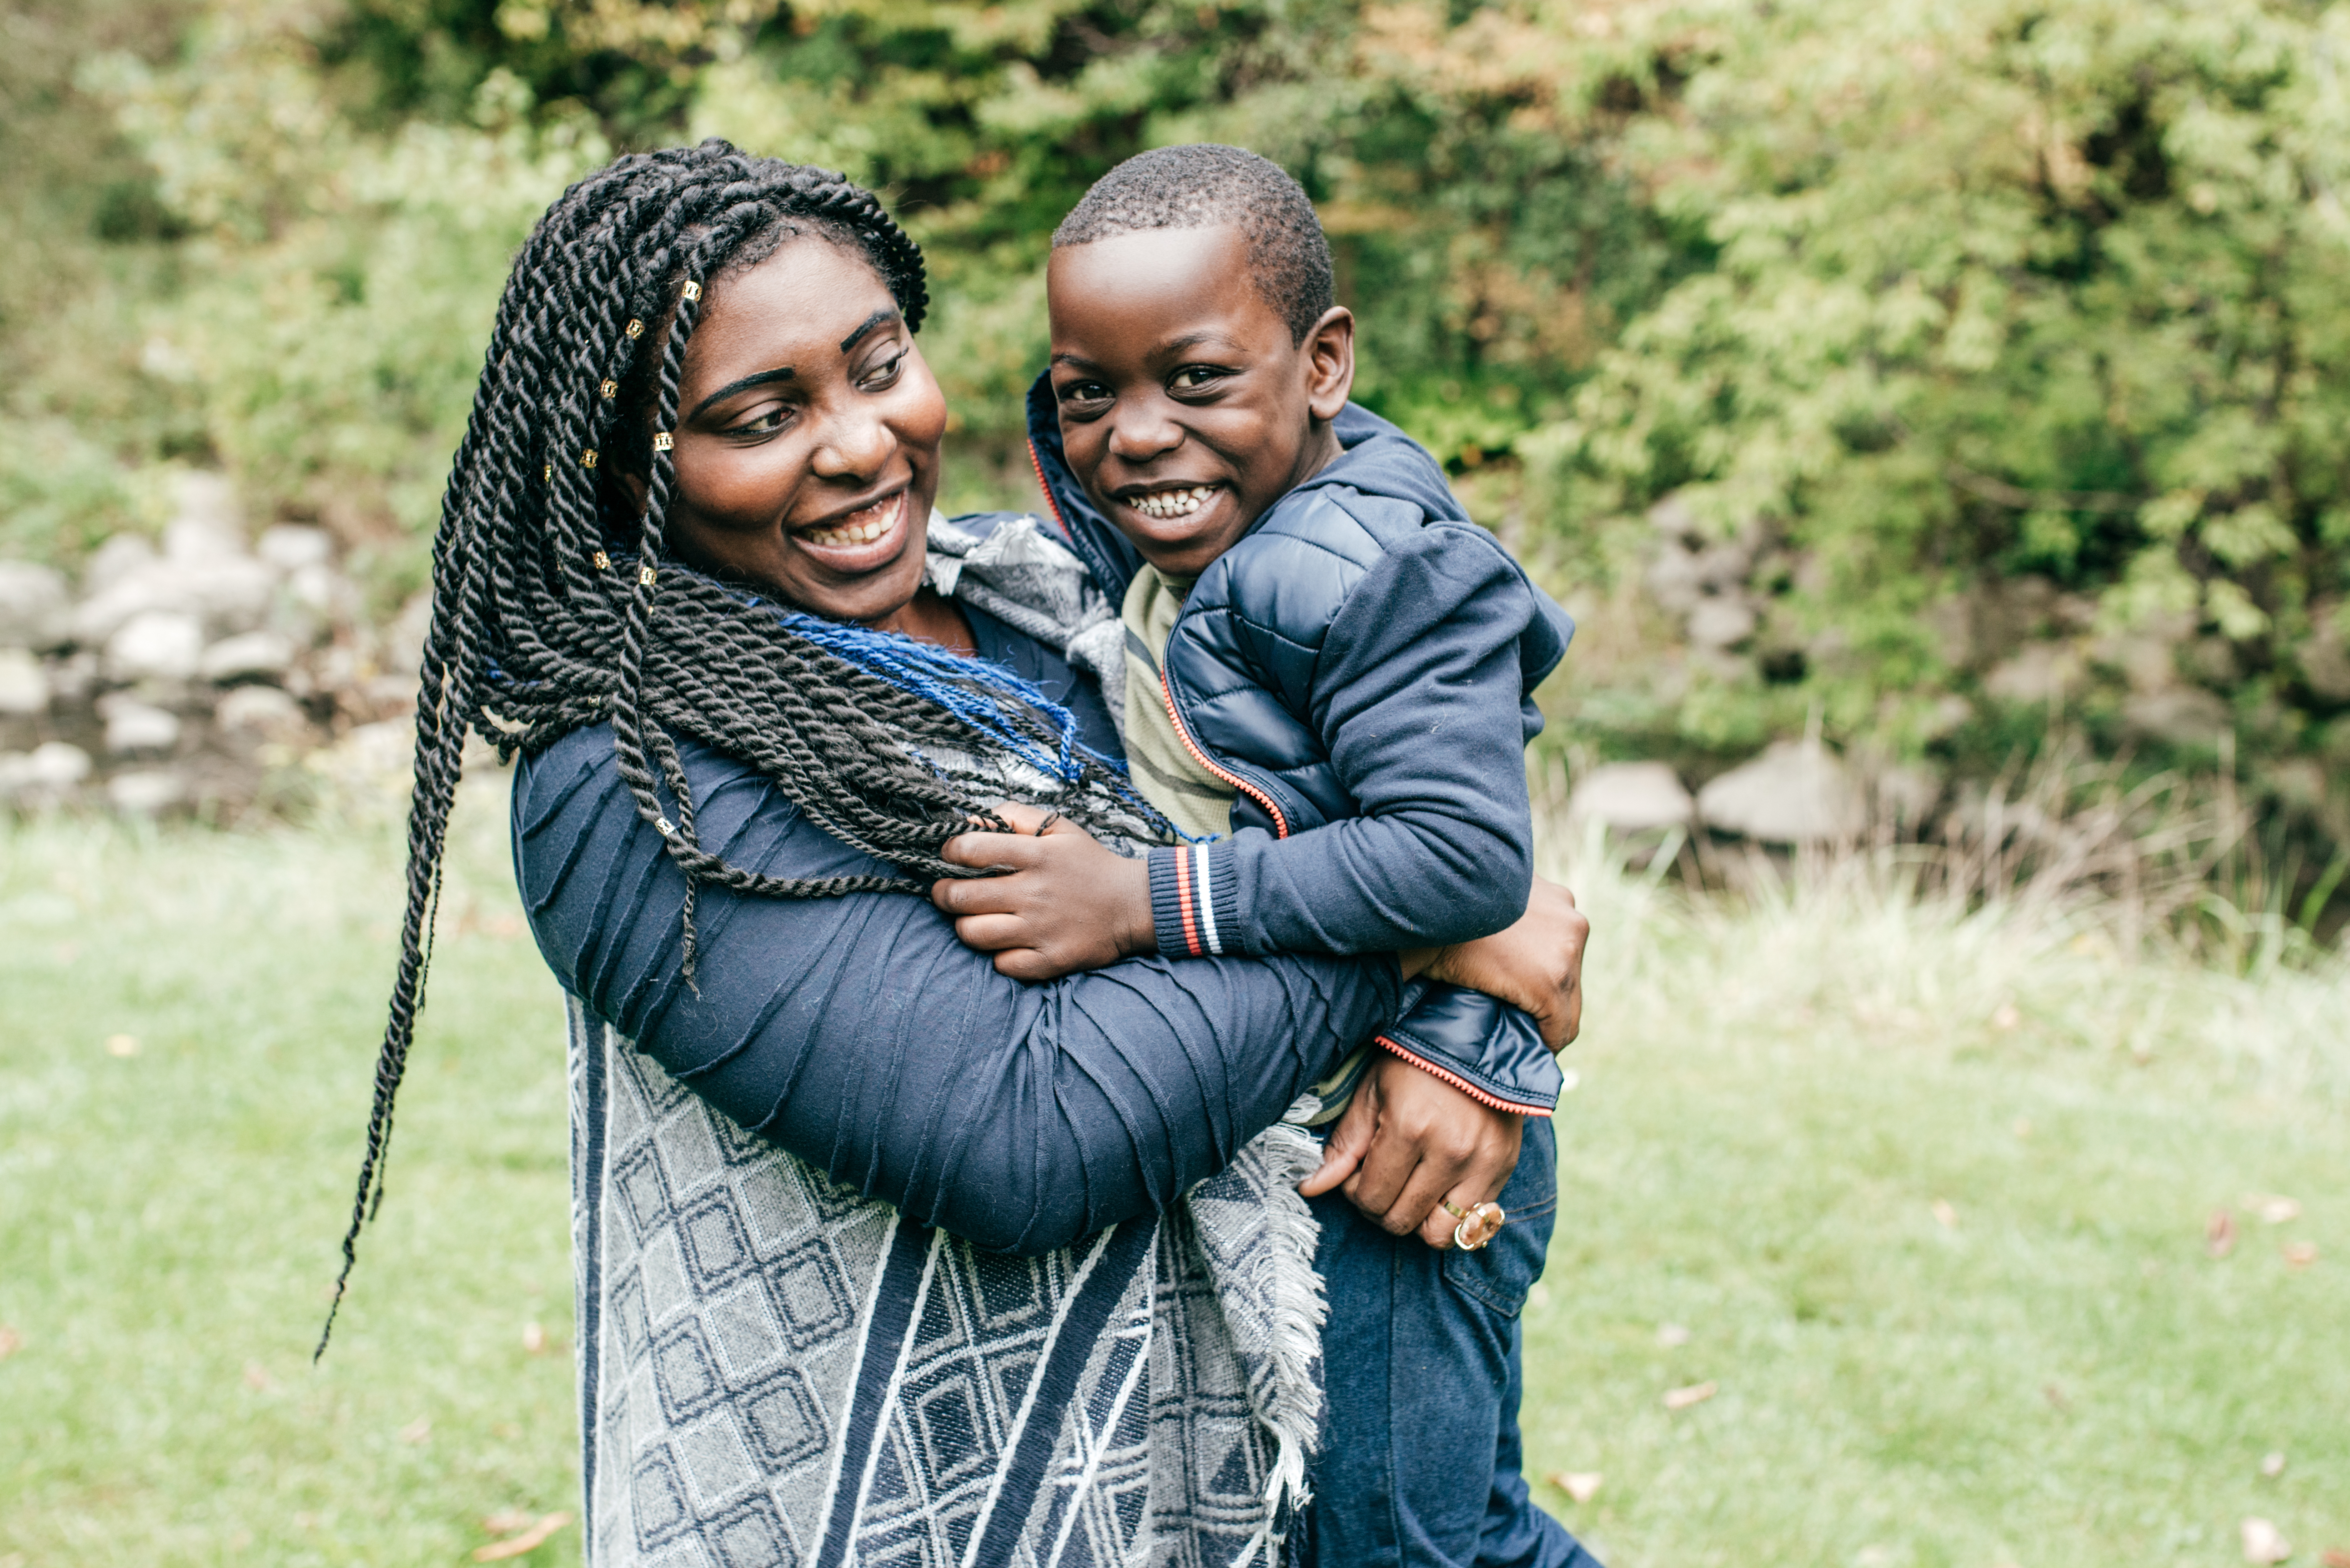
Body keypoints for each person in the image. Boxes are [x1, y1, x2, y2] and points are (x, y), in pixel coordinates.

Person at [319, 141, 1592, 1566]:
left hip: (1255, 1462)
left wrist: (1464, 1036)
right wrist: (1428, 944)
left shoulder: (1043, 596)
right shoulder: (626, 783)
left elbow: (1382, 795)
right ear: (634, 472)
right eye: (761, 415)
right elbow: (1027, 1136)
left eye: (878, 367)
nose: (860, 441)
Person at [930, 145, 1595, 1567]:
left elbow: (1464, 860)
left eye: (1198, 380)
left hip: (1401, 1154)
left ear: (1325, 364)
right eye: (1087, 393)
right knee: (1471, 1528)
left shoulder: (1364, 571)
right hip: (1348, 1124)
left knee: (1394, 1548)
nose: (1137, 437)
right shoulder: (1209, 540)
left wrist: (1138, 904)